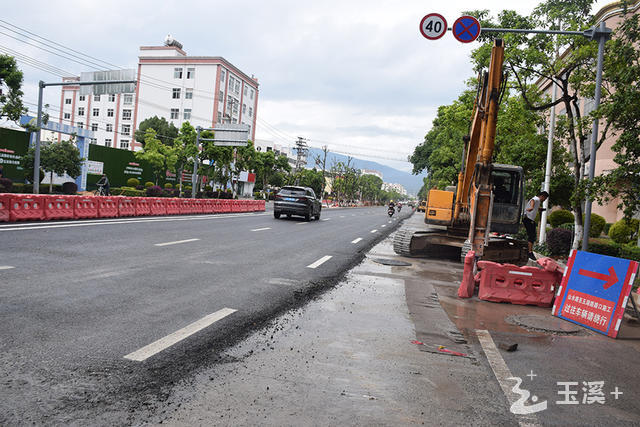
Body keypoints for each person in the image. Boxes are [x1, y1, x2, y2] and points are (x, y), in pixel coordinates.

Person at [523, 191, 549, 260]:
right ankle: (530, 252)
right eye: (545, 198)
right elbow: (532, 201)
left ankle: (529, 250)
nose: (544, 200)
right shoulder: (536, 199)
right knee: (532, 236)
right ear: (542, 196)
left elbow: (534, 205)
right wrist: (531, 207)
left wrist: (539, 209)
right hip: (528, 219)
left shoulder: (537, 201)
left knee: (532, 235)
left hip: (529, 219)